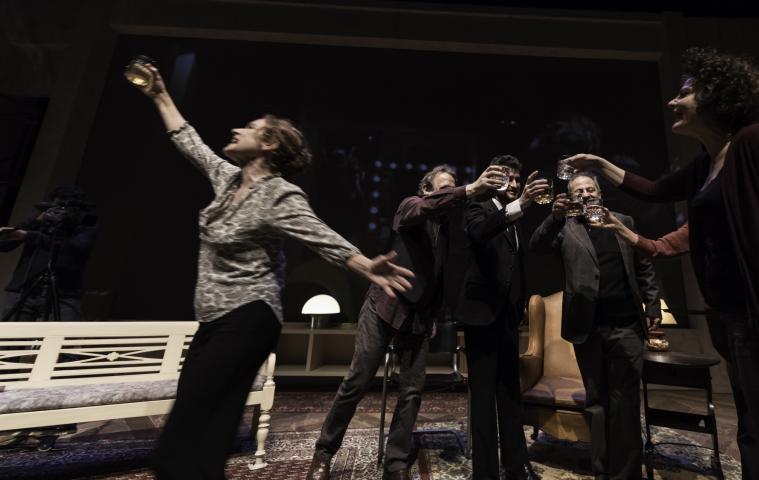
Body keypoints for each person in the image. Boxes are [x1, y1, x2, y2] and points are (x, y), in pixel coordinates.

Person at [129, 64, 414, 479]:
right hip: (213, 319)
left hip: (249, 315)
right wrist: (160, 94)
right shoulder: (227, 179)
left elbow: (320, 236)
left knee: (191, 421)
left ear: (268, 143)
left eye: (248, 128)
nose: (236, 130)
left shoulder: (280, 194)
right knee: (205, 423)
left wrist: (367, 266)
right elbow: (189, 141)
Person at [567, 46, 759, 478]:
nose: (672, 101)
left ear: (716, 96)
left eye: (685, 92)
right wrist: (601, 164)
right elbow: (655, 190)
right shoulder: (707, 164)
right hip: (742, 324)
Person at [600, 217, 759, 479]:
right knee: (755, 431)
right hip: (743, 336)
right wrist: (623, 229)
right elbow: (659, 247)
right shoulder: (708, 217)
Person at [307, 164, 504, 480]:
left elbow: (438, 277)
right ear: (427, 190)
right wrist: (466, 190)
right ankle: (324, 452)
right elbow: (423, 209)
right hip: (384, 308)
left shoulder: (448, 230)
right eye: (443, 188)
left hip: (418, 319)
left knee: (412, 392)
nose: (448, 193)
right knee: (357, 381)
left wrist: (433, 315)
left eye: (452, 187)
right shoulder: (411, 206)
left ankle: (396, 461)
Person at [528, 172, 660, 479]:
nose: (585, 194)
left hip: (626, 327)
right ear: (572, 196)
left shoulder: (624, 222)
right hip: (587, 329)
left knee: (625, 402)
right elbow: (536, 245)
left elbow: (644, 266)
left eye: (590, 189)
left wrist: (653, 305)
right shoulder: (565, 227)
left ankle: (625, 474)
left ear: (599, 192)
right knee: (597, 402)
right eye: (579, 191)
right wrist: (554, 217)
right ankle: (602, 469)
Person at [455, 154, 548, 480]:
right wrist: (521, 203)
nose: (515, 183)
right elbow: (480, 233)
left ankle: (515, 464)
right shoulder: (478, 207)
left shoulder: (515, 217)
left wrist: (520, 306)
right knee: (483, 397)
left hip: (507, 318)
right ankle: (485, 472)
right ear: (494, 179)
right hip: (481, 316)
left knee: (510, 392)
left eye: (518, 178)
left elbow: (516, 267)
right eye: (509, 177)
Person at [0, 186, 97, 322]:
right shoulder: (39, 221)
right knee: (10, 335)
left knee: (58, 334)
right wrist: (35, 221)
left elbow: (75, 248)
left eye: (66, 207)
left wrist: (30, 235)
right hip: (23, 290)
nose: (60, 211)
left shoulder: (86, 226)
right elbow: (4, 246)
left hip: (63, 296)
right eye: (57, 205)